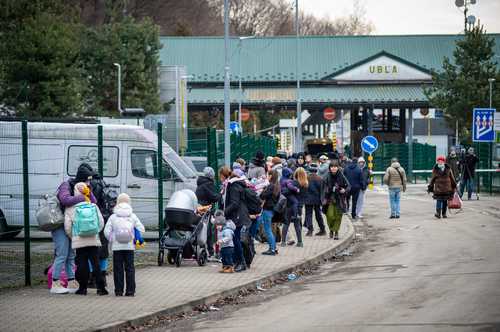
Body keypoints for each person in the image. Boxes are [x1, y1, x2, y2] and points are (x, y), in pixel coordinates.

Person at [53, 163, 98, 294]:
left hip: (72, 224)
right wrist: (82, 197)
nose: (89, 182)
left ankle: (72, 283)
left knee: (71, 255)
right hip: (60, 224)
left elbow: (93, 202)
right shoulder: (66, 185)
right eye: (87, 179)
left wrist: (88, 192)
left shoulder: (84, 187)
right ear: (81, 178)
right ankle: (55, 284)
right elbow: (65, 200)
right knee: (62, 254)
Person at [64, 182, 108, 295]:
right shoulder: (93, 206)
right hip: (93, 239)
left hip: (79, 241)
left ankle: (82, 288)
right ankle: (101, 288)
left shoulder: (70, 208)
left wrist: (73, 237)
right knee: (96, 263)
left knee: (82, 264)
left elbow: (67, 227)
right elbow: (101, 222)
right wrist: (95, 232)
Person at [104, 193, 145, 296]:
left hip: (117, 247)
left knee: (118, 269)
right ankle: (130, 291)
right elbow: (141, 229)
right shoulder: (133, 216)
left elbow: (106, 231)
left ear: (117, 202)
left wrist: (113, 239)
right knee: (130, 268)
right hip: (129, 246)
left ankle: (118, 291)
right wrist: (133, 235)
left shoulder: (113, 216)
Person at [223, 168, 252, 272]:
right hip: (241, 215)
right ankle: (240, 261)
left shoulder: (234, 186)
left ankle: (241, 262)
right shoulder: (239, 184)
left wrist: (224, 212)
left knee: (236, 240)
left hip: (237, 217)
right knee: (237, 239)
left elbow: (234, 203)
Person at [195, 167, 221, 257]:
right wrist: (220, 194)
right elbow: (214, 197)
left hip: (199, 208)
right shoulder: (208, 184)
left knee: (200, 229)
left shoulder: (200, 182)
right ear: (211, 176)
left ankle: (202, 248)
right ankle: (210, 251)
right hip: (206, 209)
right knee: (208, 230)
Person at [321, 161, 350, 239]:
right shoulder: (326, 176)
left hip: (339, 199)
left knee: (338, 216)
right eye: (332, 167)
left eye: (335, 167)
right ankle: (331, 229)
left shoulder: (341, 176)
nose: (333, 168)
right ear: (330, 168)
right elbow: (322, 189)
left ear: (338, 167)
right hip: (329, 199)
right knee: (330, 216)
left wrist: (344, 190)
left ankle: (336, 232)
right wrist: (324, 196)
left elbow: (348, 186)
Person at [258, 170, 280, 255]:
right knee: (269, 229)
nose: (267, 176)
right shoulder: (277, 185)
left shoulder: (271, 186)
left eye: (268, 175)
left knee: (268, 230)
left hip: (267, 209)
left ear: (271, 176)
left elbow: (262, 195)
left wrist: (264, 189)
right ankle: (273, 247)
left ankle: (272, 249)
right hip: (272, 209)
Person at [280, 168, 303, 247]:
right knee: (297, 225)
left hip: (288, 206)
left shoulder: (286, 181)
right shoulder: (302, 184)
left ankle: (283, 242)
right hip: (297, 207)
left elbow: (284, 192)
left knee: (286, 224)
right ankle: (300, 242)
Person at [304, 164, 326, 236]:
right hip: (317, 199)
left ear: (309, 170)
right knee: (318, 214)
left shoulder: (306, 178)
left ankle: (310, 230)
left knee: (308, 214)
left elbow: (304, 188)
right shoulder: (320, 179)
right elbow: (322, 190)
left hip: (308, 199)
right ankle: (322, 229)